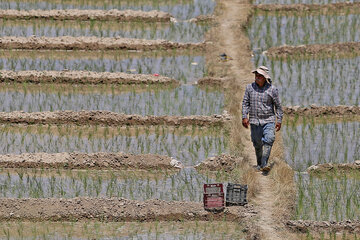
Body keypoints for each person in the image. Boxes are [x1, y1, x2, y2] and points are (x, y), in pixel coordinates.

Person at [241, 66, 283, 172]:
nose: (257, 77)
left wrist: (279, 120)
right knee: (257, 143)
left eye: (260, 76)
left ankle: (264, 164)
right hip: (254, 121)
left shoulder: (272, 90)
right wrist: (244, 116)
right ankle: (259, 163)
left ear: (265, 77)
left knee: (269, 140)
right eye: (256, 75)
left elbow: (278, 106)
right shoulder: (249, 88)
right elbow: (245, 103)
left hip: (268, 120)